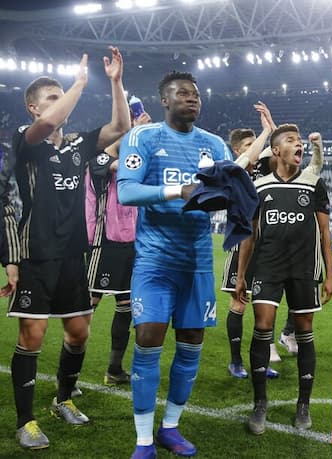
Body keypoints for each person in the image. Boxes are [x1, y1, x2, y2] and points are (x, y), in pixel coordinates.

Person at [5, 48, 130, 450]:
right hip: (36, 254)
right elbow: (47, 124)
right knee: (33, 335)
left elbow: (120, 126)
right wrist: (77, 84)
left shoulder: (79, 144)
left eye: (63, 97)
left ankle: (64, 398)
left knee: (78, 333)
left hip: (73, 253)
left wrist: (115, 83)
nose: (61, 105)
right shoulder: (27, 141)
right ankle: (26, 421)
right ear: (33, 107)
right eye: (51, 98)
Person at [117, 71, 232, 458]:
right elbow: (127, 191)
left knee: (191, 344)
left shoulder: (215, 145)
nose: (192, 99)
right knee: (148, 337)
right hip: (155, 260)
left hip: (197, 263)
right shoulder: (143, 138)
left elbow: (229, 193)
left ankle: (170, 427)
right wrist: (177, 190)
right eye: (182, 93)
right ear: (164, 100)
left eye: (196, 94)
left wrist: (231, 198)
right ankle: (144, 440)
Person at [235, 123, 332, 435]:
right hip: (268, 267)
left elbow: (325, 232)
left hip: (304, 269)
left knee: (304, 330)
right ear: (276, 151)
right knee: (262, 326)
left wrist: (329, 275)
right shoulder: (260, 186)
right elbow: (250, 234)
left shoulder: (312, 183)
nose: (298, 143)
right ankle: (260, 401)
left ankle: (303, 404)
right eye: (291, 140)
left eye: (300, 140)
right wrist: (241, 274)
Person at [86, 111, 151, 386]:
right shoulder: (98, 158)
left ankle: (114, 369)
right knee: (84, 311)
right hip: (101, 243)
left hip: (129, 243)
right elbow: (117, 166)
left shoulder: (132, 161)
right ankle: (68, 375)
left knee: (125, 307)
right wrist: (134, 130)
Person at [219, 105, 285, 379]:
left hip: (267, 252)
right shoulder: (237, 172)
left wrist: (272, 128)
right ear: (239, 150)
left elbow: (281, 149)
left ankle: (260, 360)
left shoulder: (265, 171)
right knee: (239, 303)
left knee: (264, 308)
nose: (258, 148)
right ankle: (235, 361)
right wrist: (264, 133)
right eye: (249, 145)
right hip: (242, 247)